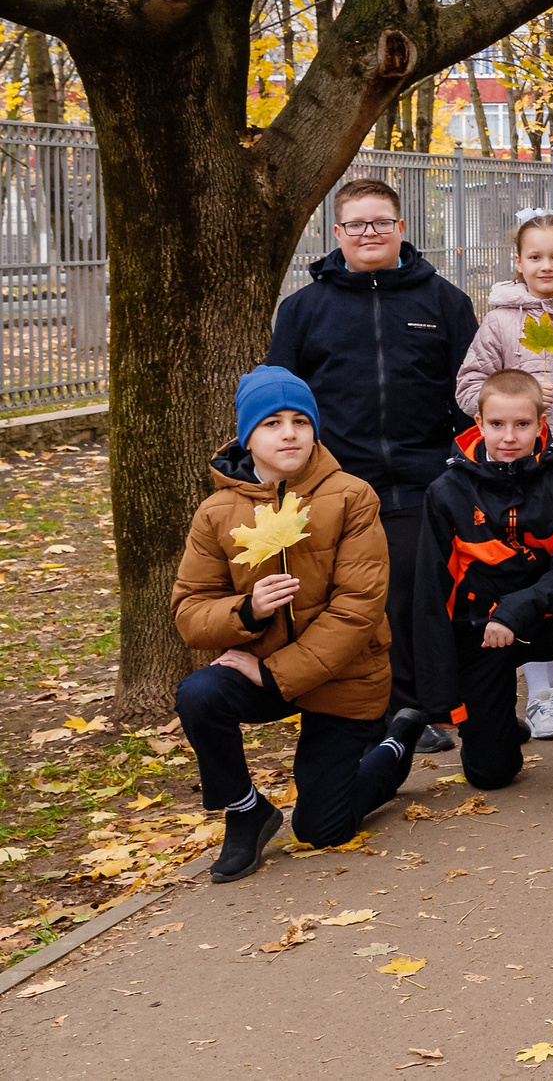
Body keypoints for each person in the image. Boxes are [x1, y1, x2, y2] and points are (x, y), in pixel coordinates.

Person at [172, 367, 427, 880]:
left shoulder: (352, 496)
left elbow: (358, 608)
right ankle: (245, 811)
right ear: (247, 436)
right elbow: (190, 610)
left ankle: (396, 743)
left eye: (299, 421)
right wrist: (246, 611)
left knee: (320, 829)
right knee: (199, 694)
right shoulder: (216, 512)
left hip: (341, 676)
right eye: (271, 423)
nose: (288, 433)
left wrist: (273, 672)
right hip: (261, 670)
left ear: (314, 429)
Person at [266, 177, 480, 747]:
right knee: (353, 601)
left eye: (381, 222)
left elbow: (470, 391)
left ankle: (420, 711)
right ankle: (369, 712)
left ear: (401, 229)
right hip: (338, 483)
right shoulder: (303, 309)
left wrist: (470, 465)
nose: (370, 232)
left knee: (416, 595)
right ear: (337, 233)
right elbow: (284, 401)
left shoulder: (445, 301)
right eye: (357, 224)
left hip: (425, 476)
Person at [412, 370, 553, 815]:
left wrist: (516, 609)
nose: (509, 437)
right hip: (484, 632)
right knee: (490, 774)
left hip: (545, 618)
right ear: (478, 423)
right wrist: (442, 697)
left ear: (540, 424)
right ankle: (501, 725)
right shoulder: (446, 493)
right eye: (498, 424)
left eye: (522, 424)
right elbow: (433, 594)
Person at [456, 206, 553, 736]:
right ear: (517, 262)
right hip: (517, 478)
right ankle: (541, 693)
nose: (546, 265)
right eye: (534, 256)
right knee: (523, 575)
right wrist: (518, 390)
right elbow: (467, 387)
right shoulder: (501, 321)